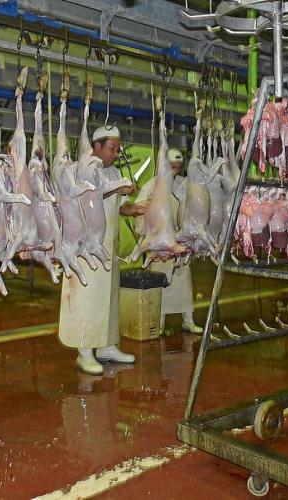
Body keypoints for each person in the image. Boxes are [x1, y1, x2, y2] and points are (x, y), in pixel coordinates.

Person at [58, 126, 137, 376]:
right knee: (87, 299)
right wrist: (116, 188)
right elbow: (86, 196)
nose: (115, 154)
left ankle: (107, 346)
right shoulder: (79, 170)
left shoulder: (113, 172)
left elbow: (121, 206)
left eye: (117, 149)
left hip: (108, 247)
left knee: (108, 298)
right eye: (112, 148)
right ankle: (84, 352)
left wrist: (139, 208)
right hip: (85, 248)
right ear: (97, 146)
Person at [123, 148, 202, 333]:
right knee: (160, 284)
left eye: (178, 167)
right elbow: (138, 211)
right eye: (172, 167)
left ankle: (188, 320)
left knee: (184, 283)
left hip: (180, 240)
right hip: (160, 244)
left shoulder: (183, 184)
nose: (175, 171)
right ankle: (158, 322)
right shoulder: (151, 186)